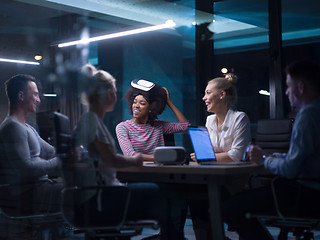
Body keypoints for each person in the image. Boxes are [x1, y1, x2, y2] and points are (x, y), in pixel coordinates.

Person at [72, 64, 185, 240]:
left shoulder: (93, 121)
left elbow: (106, 157)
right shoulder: (92, 122)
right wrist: (134, 159)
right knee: (167, 196)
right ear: (107, 95)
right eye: (114, 92)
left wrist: (167, 100)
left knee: (168, 196)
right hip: (101, 196)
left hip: (105, 192)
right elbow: (111, 159)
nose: (118, 97)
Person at [222, 60, 320, 240]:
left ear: (301, 87)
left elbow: (290, 170)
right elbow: (308, 157)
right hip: (312, 190)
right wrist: (278, 156)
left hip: (306, 195)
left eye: (289, 87)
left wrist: (263, 160)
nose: (286, 92)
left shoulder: (307, 115)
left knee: (229, 207)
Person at [189, 73, 251, 240]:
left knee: (204, 197)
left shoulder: (240, 118)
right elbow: (214, 153)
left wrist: (208, 156)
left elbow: (236, 155)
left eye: (208, 93)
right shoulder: (209, 120)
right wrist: (208, 155)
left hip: (233, 180)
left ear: (222, 95)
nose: (204, 98)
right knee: (195, 196)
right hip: (213, 176)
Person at [0, 74, 62, 214]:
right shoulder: (12, 127)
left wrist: (71, 151)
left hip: (39, 189)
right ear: (21, 96)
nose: (38, 100)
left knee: (79, 189)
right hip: (29, 195)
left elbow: (52, 152)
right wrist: (61, 160)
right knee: (79, 192)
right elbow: (27, 168)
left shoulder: (27, 128)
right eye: (35, 95)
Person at [116, 79, 189, 161]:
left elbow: (185, 126)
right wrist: (161, 158)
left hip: (159, 171)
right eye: (134, 102)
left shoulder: (159, 126)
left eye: (142, 103)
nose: (136, 106)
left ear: (151, 108)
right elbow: (130, 154)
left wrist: (168, 101)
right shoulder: (123, 127)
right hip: (137, 171)